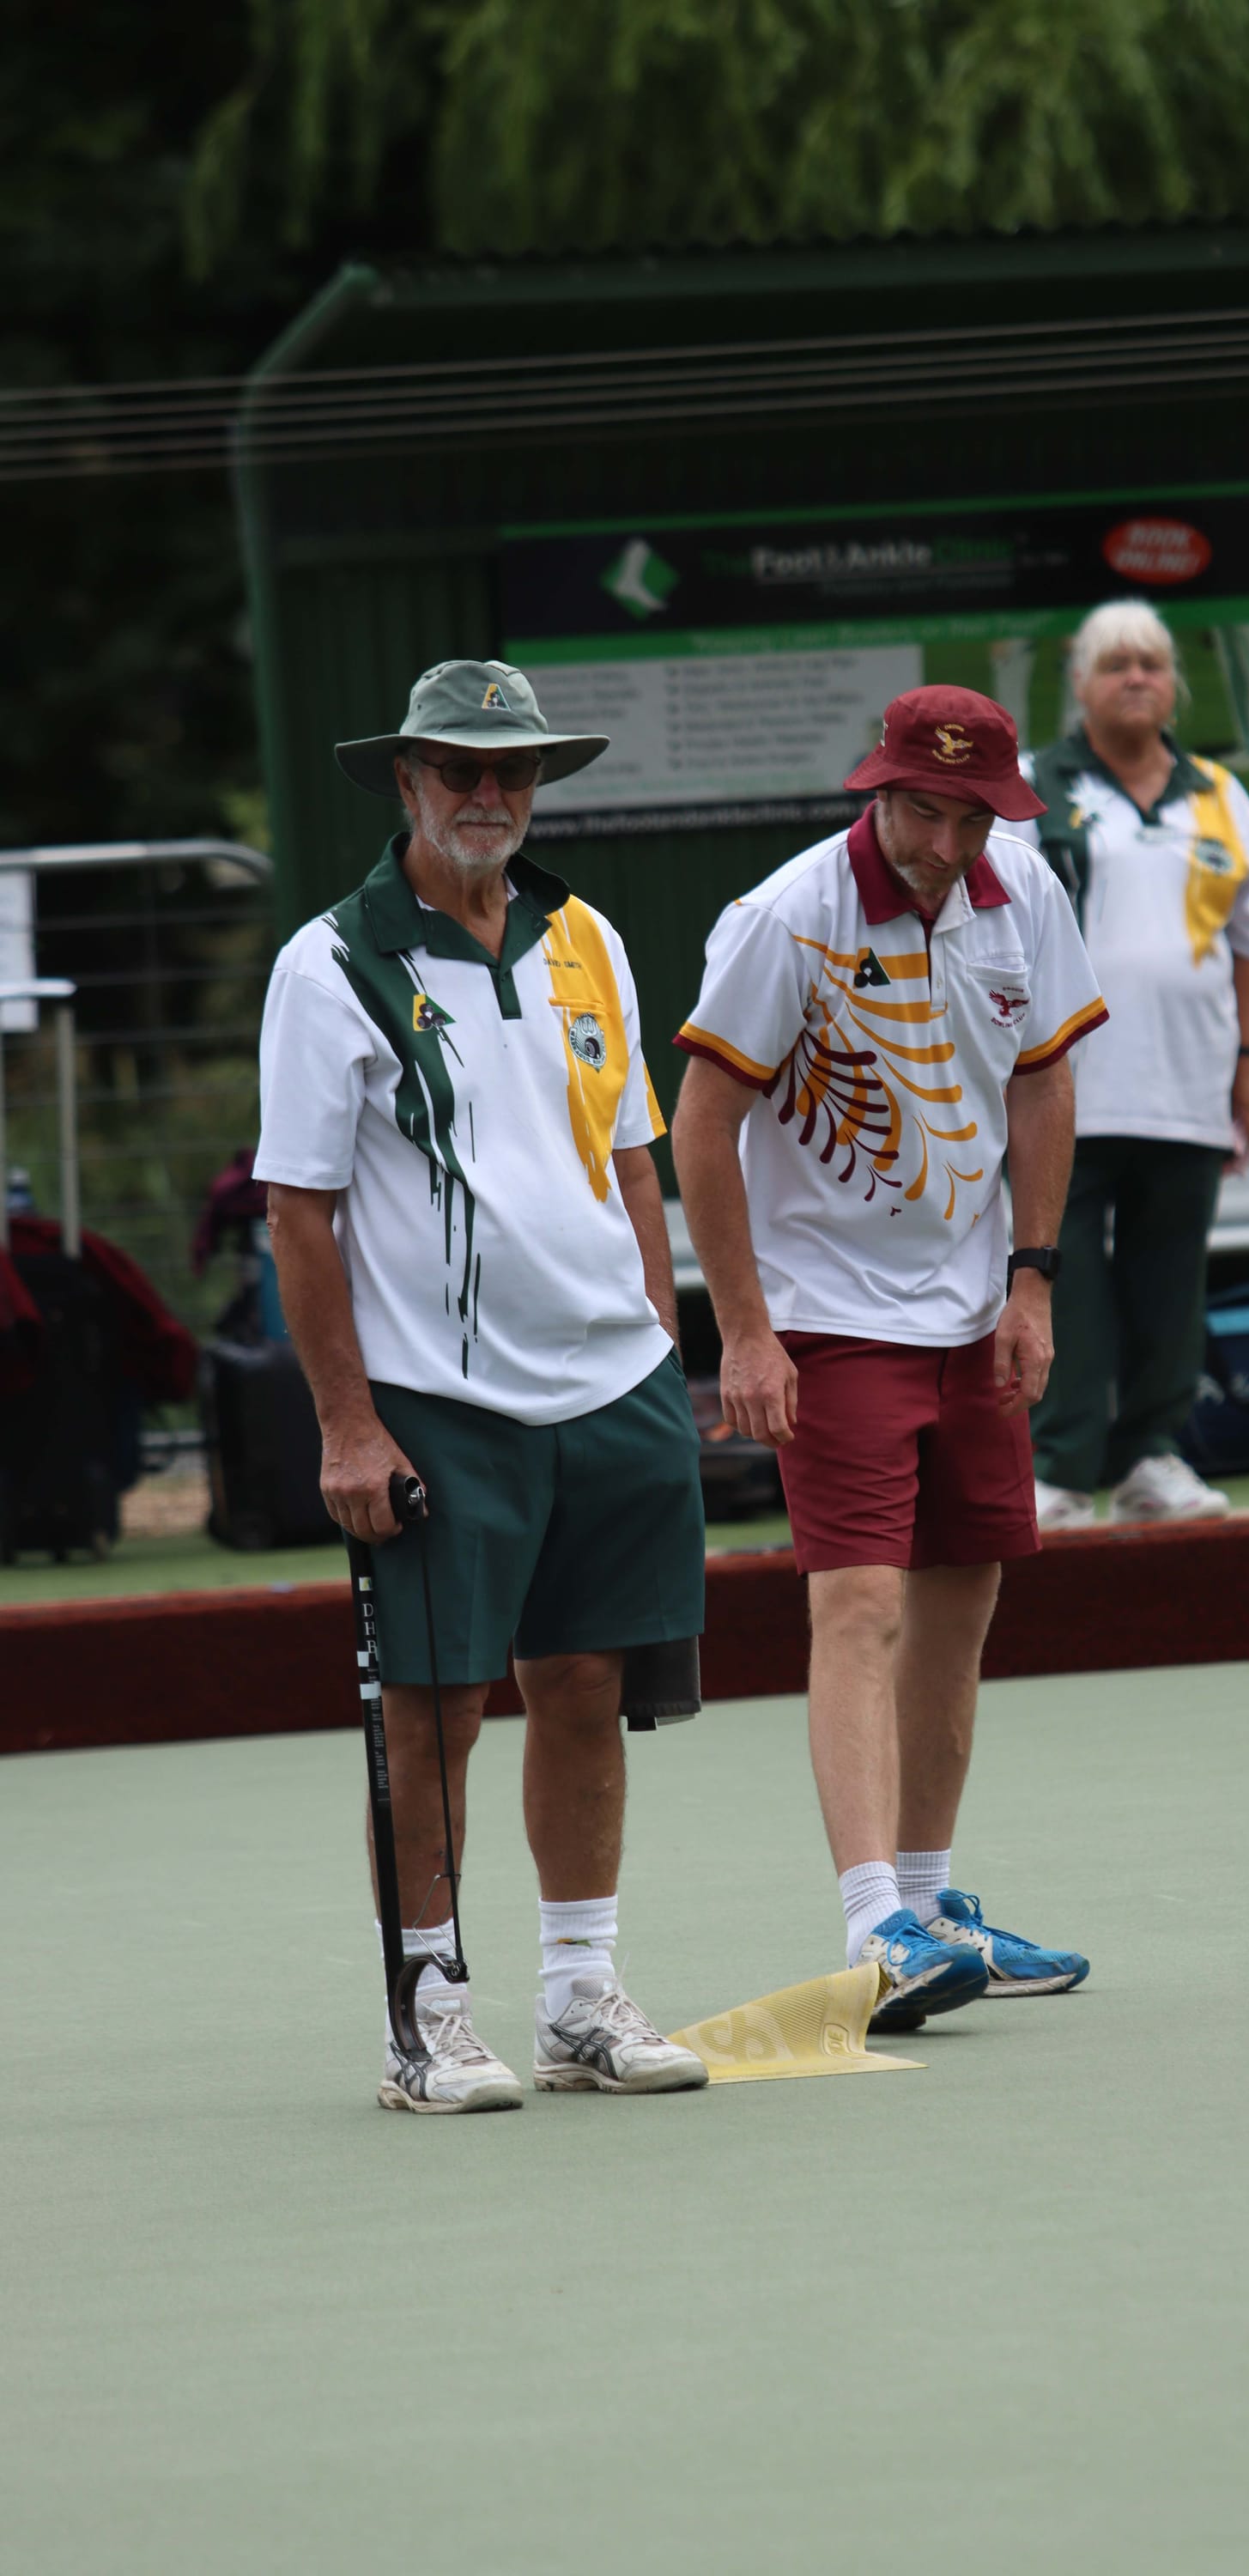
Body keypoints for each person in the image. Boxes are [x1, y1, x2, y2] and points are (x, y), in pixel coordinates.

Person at [255, 659, 708, 2111]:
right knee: (436, 1711)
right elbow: (299, 1210)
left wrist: (664, 1340)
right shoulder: (331, 964)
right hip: (441, 1399)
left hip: (615, 1386)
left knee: (587, 1681)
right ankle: (427, 2010)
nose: (488, 795)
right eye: (458, 770)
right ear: (405, 781)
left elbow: (632, 1156)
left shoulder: (588, 936)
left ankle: (580, 1990)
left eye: (511, 772)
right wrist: (345, 1422)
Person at [671, 684, 1107, 2032]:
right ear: (879, 791)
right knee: (856, 1604)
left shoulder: (1021, 889)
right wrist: (743, 1327)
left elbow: (1043, 1081)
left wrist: (1031, 1283)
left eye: (973, 814)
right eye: (924, 807)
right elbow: (701, 1127)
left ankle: (933, 1899)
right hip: (832, 1315)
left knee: (963, 1597)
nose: (945, 837)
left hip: (977, 1309)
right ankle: (876, 1924)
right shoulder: (785, 917)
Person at [1013, 599, 1249, 1528]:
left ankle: (1151, 1458)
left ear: (1174, 685)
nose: (1136, 678)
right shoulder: (1029, 786)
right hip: (1063, 1090)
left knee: (1170, 1282)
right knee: (1064, 1283)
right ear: (1079, 686)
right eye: (1115, 663)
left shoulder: (1219, 792)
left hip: (1187, 1081)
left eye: (1153, 664)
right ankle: (1059, 1466)